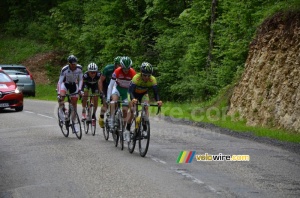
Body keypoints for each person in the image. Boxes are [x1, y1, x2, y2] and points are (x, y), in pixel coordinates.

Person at [126, 62, 163, 141]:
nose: (146, 77)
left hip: (143, 94)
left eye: (148, 75)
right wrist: (133, 99)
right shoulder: (136, 78)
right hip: (133, 94)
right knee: (132, 110)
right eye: (145, 75)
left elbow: (156, 92)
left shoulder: (152, 79)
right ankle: (127, 129)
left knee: (146, 107)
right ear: (141, 73)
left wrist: (158, 101)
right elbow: (130, 91)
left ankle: (145, 128)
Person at [106, 56, 136, 135]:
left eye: (128, 68)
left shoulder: (133, 72)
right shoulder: (117, 71)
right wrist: (108, 97)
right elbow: (110, 85)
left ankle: (123, 128)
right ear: (121, 67)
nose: (126, 70)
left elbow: (135, 87)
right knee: (113, 102)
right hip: (117, 88)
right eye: (124, 69)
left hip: (127, 91)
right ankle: (111, 120)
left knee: (125, 110)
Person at [57, 55, 83, 133]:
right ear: (69, 63)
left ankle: (74, 124)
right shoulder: (64, 69)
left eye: (75, 64)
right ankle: (61, 111)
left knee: (74, 102)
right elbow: (60, 82)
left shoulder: (79, 68)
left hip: (74, 85)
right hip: (65, 84)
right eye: (72, 64)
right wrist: (59, 93)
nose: (74, 65)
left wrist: (79, 90)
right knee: (61, 97)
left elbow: (81, 79)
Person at [98, 56, 122, 128]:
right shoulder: (108, 69)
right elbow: (100, 81)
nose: (120, 67)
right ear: (115, 64)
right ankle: (101, 117)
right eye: (119, 65)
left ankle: (115, 117)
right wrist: (101, 91)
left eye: (121, 65)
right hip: (106, 86)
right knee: (105, 105)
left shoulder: (123, 71)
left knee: (116, 103)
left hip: (116, 87)